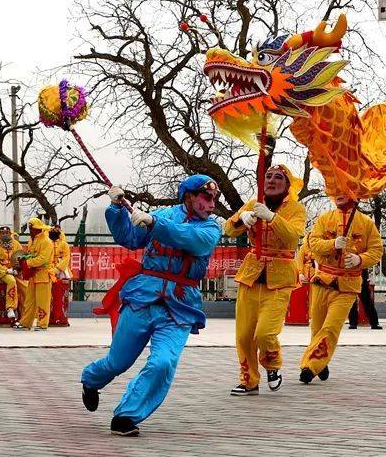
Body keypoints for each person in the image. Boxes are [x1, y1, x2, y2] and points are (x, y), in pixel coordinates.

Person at [80, 175, 223, 437]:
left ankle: (126, 415)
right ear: (189, 196)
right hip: (143, 297)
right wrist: (117, 209)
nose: (212, 203)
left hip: (179, 306)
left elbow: (190, 239)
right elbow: (130, 238)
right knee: (117, 362)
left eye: (215, 198)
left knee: (163, 363)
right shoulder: (161, 213)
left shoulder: (211, 229)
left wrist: (155, 223)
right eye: (206, 197)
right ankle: (90, 380)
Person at [224, 165, 306, 396]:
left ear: (287, 185)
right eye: (268, 176)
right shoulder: (253, 203)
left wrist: (272, 218)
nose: (271, 181)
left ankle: (272, 364)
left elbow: (292, 238)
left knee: (265, 333)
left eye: (278, 177)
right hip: (251, 275)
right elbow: (229, 229)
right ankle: (249, 381)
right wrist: (242, 217)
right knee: (243, 335)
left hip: (280, 278)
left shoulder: (296, 209)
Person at [299, 194, 384, 384]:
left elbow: (377, 250)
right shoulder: (324, 218)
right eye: (336, 190)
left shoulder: (366, 223)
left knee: (331, 327)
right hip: (322, 280)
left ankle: (310, 366)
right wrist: (332, 244)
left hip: (347, 286)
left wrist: (359, 259)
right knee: (317, 328)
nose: (339, 194)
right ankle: (321, 359)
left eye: (345, 190)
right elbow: (312, 243)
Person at [17, 218, 55, 331]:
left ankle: (42, 324)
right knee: (29, 300)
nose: (30, 230)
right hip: (33, 274)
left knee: (43, 301)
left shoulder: (46, 242)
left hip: (43, 274)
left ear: (36, 229)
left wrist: (27, 262)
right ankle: (25, 323)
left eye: (31, 228)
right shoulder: (31, 241)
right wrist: (24, 258)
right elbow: (31, 255)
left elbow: (43, 259)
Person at [0, 226, 23, 325]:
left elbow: (21, 258)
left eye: (7, 232)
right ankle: (10, 308)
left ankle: (23, 316)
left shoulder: (16, 244)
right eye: (3, 233)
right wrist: (7, 270)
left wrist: (17, 269)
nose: (5, 234)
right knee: (11, 280)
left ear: (10, 233)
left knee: (25, 286)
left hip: (15, 271)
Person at [49, 224, 73, 326]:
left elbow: (66, 258)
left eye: (57, 230)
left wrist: (58, 269)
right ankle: (49, 318)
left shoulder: (64, 244)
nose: (54, 231)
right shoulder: (46, 243)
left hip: (61, 272)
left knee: (62, 294)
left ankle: (62, 318)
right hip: (48, 270)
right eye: (52, 229)